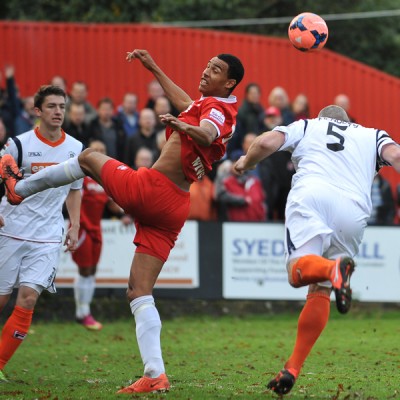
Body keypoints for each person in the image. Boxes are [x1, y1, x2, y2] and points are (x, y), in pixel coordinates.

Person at [0, 49, 244, 393]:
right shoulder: (210, 105)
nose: (206, 71)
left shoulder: (217, 109)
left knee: (87, 158)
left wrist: (179, 125)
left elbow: (205, 130)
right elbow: (188, 105)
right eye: (207, 65)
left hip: (152, 190)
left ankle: (18, 189)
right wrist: (155, 68)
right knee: (139, 291)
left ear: (229, 83)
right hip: (174, 206)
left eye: (215, 70)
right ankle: (155, 373)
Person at [233, 105, 400, 395]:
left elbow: (264, 143)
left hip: (313, 197)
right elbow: (396, 155)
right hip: (354, 212)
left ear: (323, 118)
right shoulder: (373, 135)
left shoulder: (307, 125)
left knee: (297, 273)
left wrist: (246, 163)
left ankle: (333, 269)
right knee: (321, 291)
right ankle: (292, 369)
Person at [0, 85, 83, 383]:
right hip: (11, 230)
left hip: (48, 235)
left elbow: (75, 190)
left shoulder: (75, 148)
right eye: (52, 106)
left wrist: (74, 223)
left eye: (62, 106)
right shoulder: (18, 145)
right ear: (37, 111)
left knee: (28, 298)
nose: (58, 111)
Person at [72, 140, 131, 331]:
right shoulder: (80, 177)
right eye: (95, 150)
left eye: (102, 150)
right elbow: (72, 199)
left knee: (93, 269)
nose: (99, 153)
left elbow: (113, 204)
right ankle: (82, 311)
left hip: (96, 228)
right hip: (82, 227)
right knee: (85, 269)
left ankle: (83, 312)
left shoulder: (104, 180)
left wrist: (127, 212)